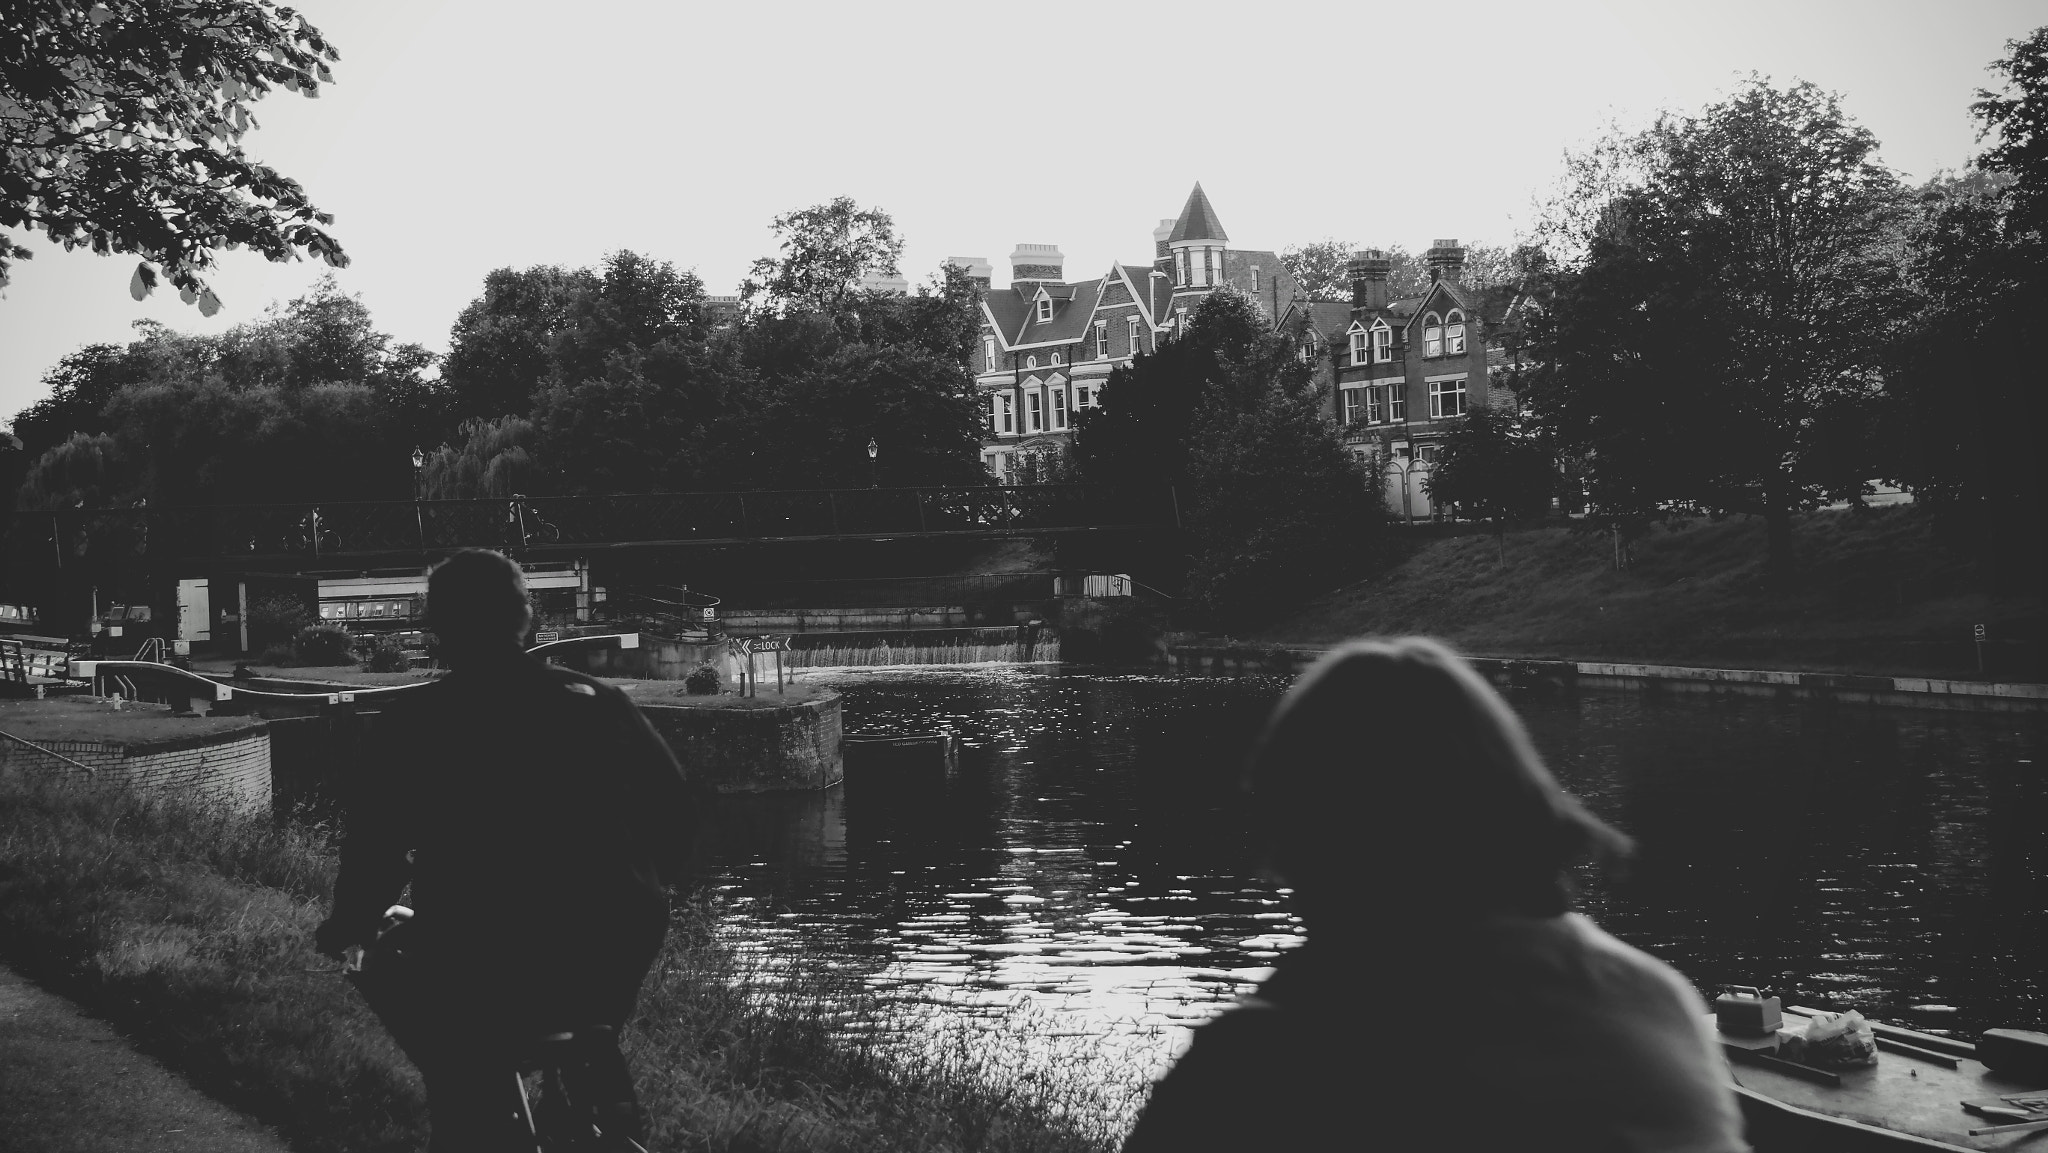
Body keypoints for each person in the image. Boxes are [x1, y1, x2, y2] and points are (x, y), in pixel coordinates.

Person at [1122, 637, 1748, 1153]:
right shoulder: (1656, 999)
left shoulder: (1263, 1063)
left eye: (1283, 827)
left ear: (1328, 841)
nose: (1275, 875)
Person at [315, 549, 707, 1152]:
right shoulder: (598, 701)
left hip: (482, 945)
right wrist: (644, 882)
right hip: (616, 938)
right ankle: (586, 1093)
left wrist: (347, 924)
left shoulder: (414, 722)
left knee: (455, 1051)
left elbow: (375, 849)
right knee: (586, 1017)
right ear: (525, 618)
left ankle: (473, 1113)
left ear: (437, 626)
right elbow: (675, 817)